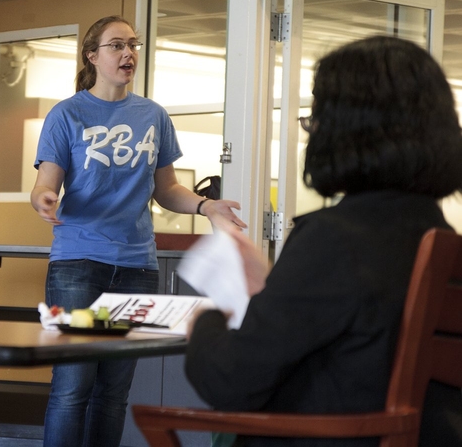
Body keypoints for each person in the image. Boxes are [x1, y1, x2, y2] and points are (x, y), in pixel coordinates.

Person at [186, 36, 462, 446]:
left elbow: (229, 381)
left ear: (343, 129)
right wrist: (269, 289)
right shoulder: (440, 239)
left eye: (314, 116)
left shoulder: (336, 239)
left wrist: (206, 320)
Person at [30, 15, 246, 447]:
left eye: (133, 45)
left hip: (134, 267)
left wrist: (206, 206)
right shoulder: (67, 113)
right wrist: (44, 199)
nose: (128, 53)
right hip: (78, 264)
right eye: (116, 46)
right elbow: (44, 184)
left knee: (112, 394)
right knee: (73, 389)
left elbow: (166, 190)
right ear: (93, 56)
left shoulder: (153, 115)